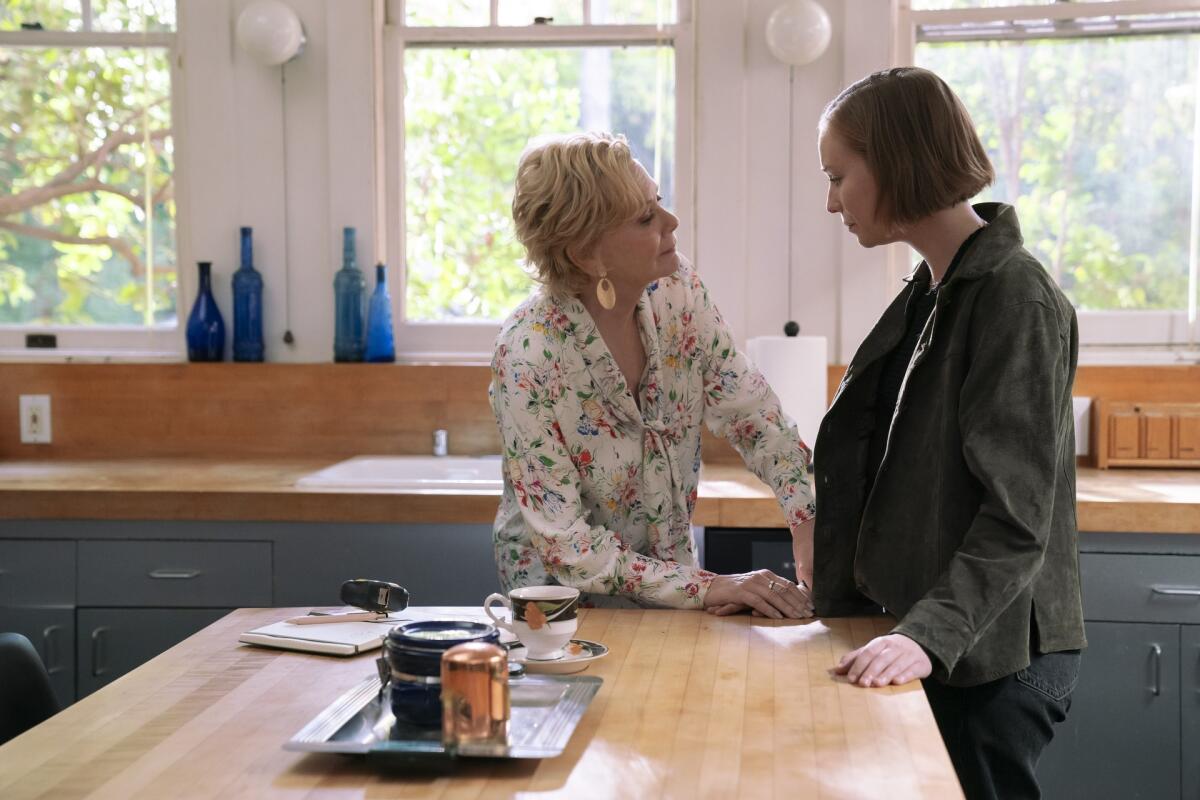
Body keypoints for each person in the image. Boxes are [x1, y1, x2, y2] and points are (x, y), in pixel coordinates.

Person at [809, 67, 1086, 799]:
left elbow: (1017, 517)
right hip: (941, 639)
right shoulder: (934, 288)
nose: (831, 200)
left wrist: (923, 636)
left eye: (839, 176)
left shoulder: (1014, 297)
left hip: (994, 658)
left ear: (895, 163)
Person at [490, 131, 816, 618]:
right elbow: (569, 549)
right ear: (587, 254)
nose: (671, 221)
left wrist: (806, 517)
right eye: (646, 218)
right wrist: (707, 587)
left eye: (657, 202)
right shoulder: (529, 354)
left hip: (672, 587)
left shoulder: (676, 290)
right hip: (563, 616)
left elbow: (752, 413)